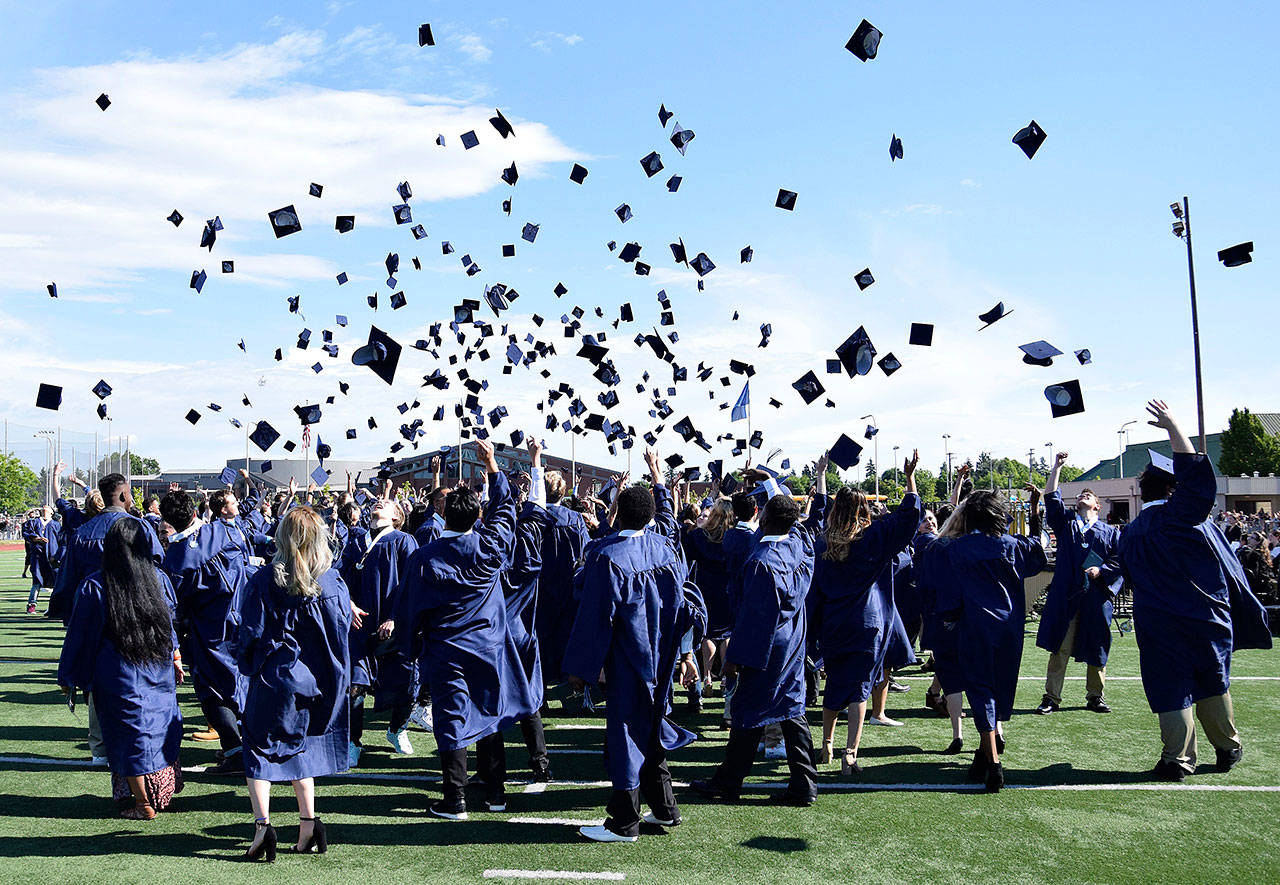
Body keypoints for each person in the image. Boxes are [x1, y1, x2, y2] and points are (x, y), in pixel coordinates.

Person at [1118, 400, 1273, 781]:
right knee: (1211, 681)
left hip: (1157, 621)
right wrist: (1174, 427)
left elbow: (1129, 576)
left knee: (1170, 687)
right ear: (1173, 489)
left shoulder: (1133, 532)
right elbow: (1197, 480)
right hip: (1204, 616)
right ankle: (1228, 748)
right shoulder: (1180, 517)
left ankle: (1177, 759)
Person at [564, 448, 705, 843]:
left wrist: (584, 670)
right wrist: (685, 654)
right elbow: (683, 607)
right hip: (660, 658)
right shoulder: (665, 551)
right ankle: (664, 808)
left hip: (626, 658)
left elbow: (595, 619)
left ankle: (624, 822)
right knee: (650, 726)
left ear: (618, 512)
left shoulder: (608, 557)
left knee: (626, 732)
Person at [397, 438, 532, 820]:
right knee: (491, 715)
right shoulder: (490, 548)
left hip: (447, 649)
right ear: (476, 518)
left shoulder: (425, 558)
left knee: (452, 717)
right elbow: (506, 511)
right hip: (488, 644)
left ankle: (454, 799)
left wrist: (409, 649)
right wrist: (492, 466)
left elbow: (410, 608)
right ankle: (495, 792)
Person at [229, 506, 352, 861]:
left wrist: (249, 661)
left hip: (275, 679)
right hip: (315, 683)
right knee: (302, 750)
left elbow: (250, 632)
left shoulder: (265, 580)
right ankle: (309, 824)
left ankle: (262, 829)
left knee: (258, 751)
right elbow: (338, 637)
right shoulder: (332, 581)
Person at [692, 493, 818, 807]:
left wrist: (735, 659)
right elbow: (802, 529)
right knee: (791, 709)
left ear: (763, 519)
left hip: (767, 644)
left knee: (747, 711)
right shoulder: (798, 548)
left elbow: (755, 619)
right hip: (794, 640)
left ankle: (728, 781)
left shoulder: (763, 561)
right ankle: (804, 784)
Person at [57, 519, 185, 819]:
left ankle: (143, 803)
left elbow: (80, 636)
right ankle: (161, 792)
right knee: (158, 729)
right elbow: (170, 623)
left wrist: (69, 676)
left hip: (118, 674)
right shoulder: (158, 578)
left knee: (126, 737)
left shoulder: (95, 585)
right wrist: (176, 655)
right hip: (156, 668)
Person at [809, 450, 921, 774]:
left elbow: (817, 513)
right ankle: (850, 755)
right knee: (860, 687)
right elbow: (907, 519)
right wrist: (910, 478)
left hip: (833, 623)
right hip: (866, 623)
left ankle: (826, 746)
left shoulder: (822, 544)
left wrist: (820, 476)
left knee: (834, 685)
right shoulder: (871, 539)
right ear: (863, 510)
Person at [935, 487, 1046, 792]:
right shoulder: (1014, 545)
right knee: (999, 688)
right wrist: (1034, 512)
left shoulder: (956, 549)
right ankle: (986, 753)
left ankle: (993, 760)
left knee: (980, 690)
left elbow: (950, 595)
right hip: (1010, 628)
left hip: (974, 625)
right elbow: (1038, 557)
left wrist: (949, 617)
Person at [160, 489, 253, 773]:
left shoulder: (175, 560)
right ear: (194, 512)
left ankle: (236, 751)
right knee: (247, 683)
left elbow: (175, 607)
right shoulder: (225, 533)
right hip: (243, 620)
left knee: (211, 690)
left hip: (209, 632)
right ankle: (255, 745)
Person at [1035, 451, 1123, 715]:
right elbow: (1051, 498)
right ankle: (1051, 697)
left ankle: (1095, 696)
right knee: (1059, 647)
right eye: (1081, 495)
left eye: (1090, 496)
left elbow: (1121, 561)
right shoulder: (1067, 525)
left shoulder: (1110, 533)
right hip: (1067, 595)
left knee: (1097, 645)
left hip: (1096, 597)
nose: (1084, 496)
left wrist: (1103, 570)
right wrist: (1057, 467)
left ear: (1098, 506)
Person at [345, 491, 418, 764]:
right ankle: (353, 742)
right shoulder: (355, 541)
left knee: (406, 685)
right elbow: (341, 577)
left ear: (397, 517)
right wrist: (348, 603)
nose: (379, 501)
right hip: (360, 624)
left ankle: (397, 729)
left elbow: (410, 583)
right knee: (355, 685)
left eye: (387, 503)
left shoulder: (403, 541)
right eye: (378, 501)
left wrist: (396, 617)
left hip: (393, 626)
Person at [48, 472, 162, 623]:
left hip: (93, 609)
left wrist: (68, 614)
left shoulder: (81, 534)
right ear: (123, 496)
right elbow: (158, 566)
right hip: (134, 607)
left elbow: (69, 576)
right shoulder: (141, 527)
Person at [532, 463, 591, 689]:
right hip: (569, 584)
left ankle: (540, 691)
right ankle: (569, 688)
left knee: (541, 638)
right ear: (563, 492)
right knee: (567, 635)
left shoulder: (533, 518)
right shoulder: (575, 519)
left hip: (540, 585)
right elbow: (584, 553)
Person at [680, 497, 736, 709]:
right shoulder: (736, 537)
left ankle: (706, 677)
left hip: (704, 590)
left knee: (705, 635)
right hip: (729, 590)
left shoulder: (698, 537)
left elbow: (686, 554)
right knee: (727, 634)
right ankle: (725, 681)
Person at [22, 504, 60, 614]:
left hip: (52, 557)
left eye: (48, 507)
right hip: (37, 556)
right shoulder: (33, 522)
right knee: (37, 581)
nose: (45, 507)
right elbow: (26, 533)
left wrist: (57, 556)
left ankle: (54, 607)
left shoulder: (55, 524)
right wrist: (35, 538)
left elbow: (61, 540)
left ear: (52, 512)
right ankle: (31, 605)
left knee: (56, 582)